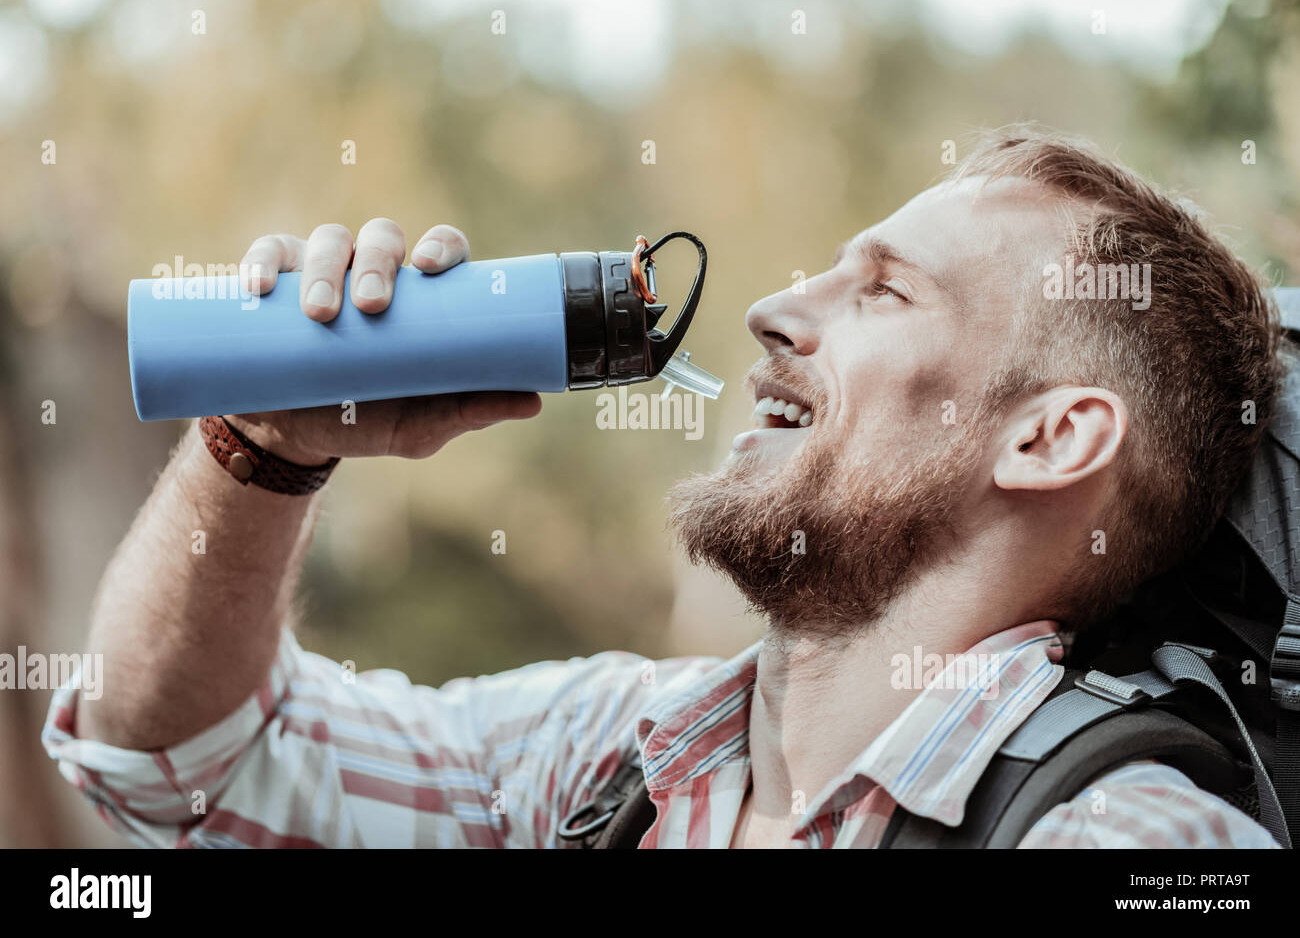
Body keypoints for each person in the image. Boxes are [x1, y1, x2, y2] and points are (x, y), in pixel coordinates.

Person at [43, 127, 1283, 847]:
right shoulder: (605, 757)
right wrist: (262, 445)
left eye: (885, 290)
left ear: (1054, 440)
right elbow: (179, 765)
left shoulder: (1129, 841)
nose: (769, 309)